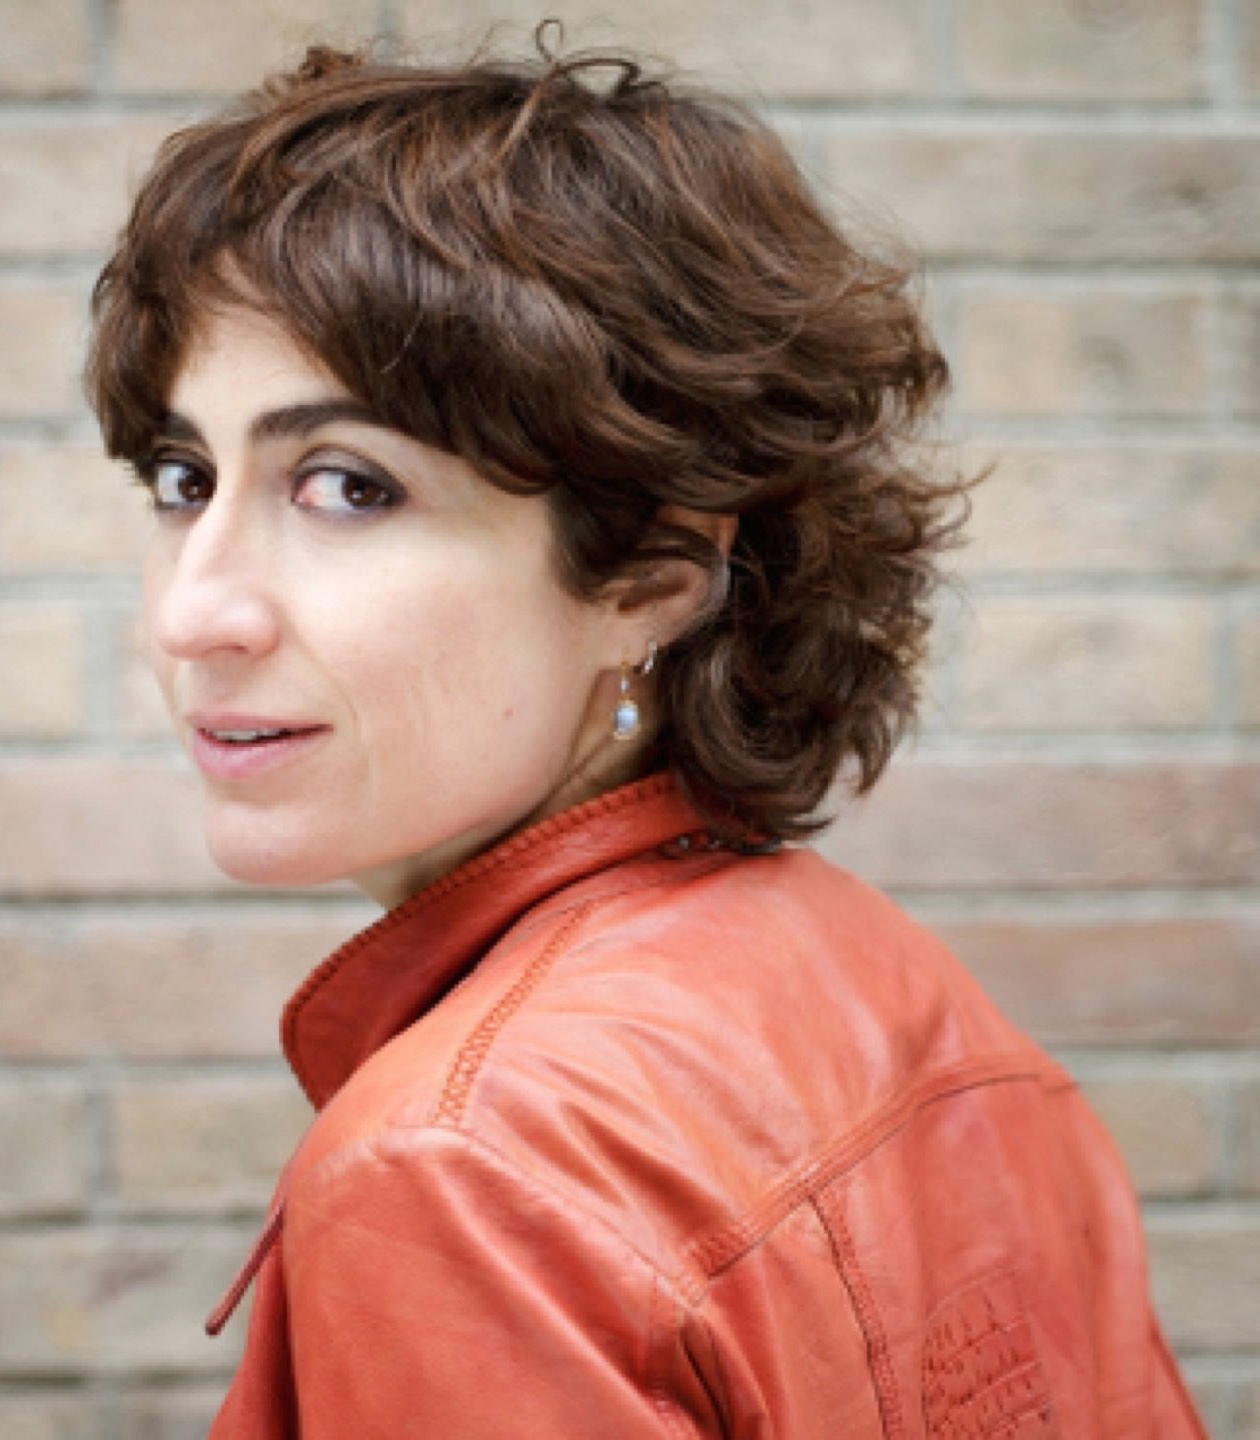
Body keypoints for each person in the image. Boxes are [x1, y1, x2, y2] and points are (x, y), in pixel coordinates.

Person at [84, 24, 1206, 1439]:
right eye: (183, 477)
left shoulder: (456, 1170)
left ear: (649, 577)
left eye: (348, 486)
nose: (195, 613)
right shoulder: (894, 983)